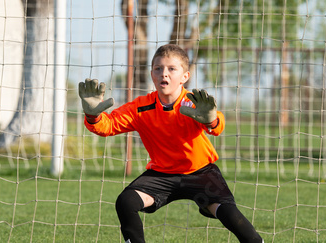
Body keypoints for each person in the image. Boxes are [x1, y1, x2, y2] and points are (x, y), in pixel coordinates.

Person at [79, 44, 263, 243]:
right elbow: (108, 126)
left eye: (171, 69)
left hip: (200, 173)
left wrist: (211, 119)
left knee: (230, 214)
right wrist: (92, 115)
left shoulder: (194, 104)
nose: (163, 74)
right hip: (161, 175)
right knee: (126, 201)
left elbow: (216, 126)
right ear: (152, 74)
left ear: (185, 76)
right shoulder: (141, 107)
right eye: (158, 68)